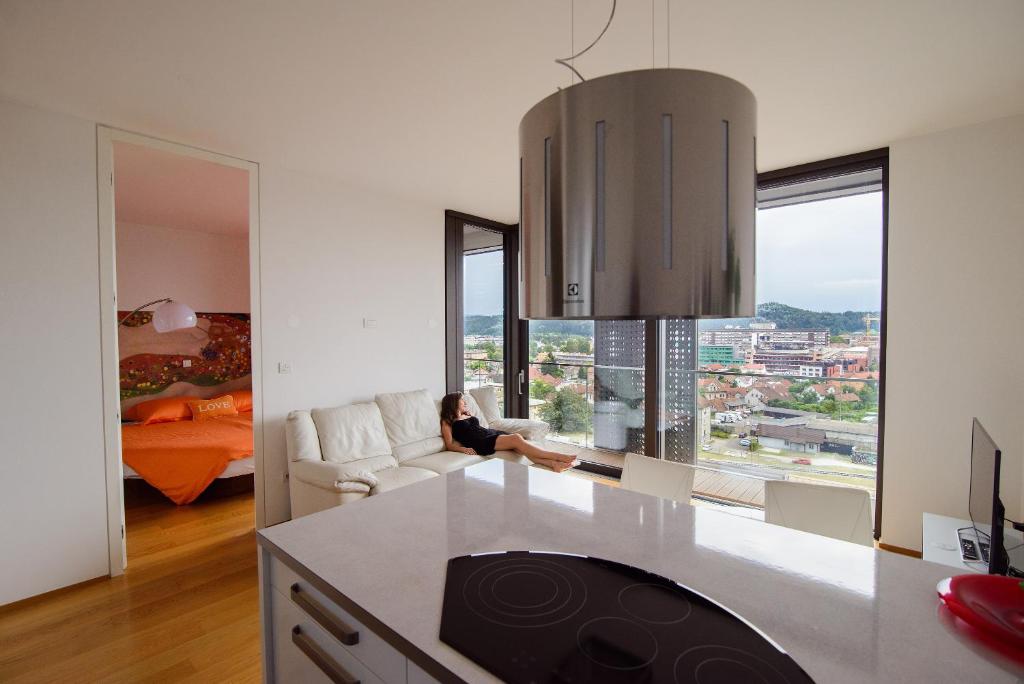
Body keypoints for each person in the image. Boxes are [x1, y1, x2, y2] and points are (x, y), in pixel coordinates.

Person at [439, 392, 577, 472]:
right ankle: (559, 457)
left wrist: (467, 415)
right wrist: (463, 450)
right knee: (517, 438)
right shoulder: (447, 421)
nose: (464, 401)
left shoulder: (467, 414)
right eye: (461, 400)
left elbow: (479, 428)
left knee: (519, 447)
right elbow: (449, 444)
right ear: (453, 403)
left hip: (489, 434)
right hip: (480, 443)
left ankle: (553, 465)